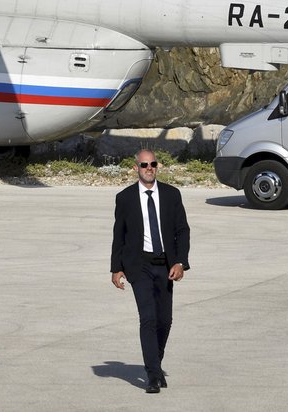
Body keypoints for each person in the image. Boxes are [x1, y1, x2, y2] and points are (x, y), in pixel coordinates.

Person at [111, 149, 191, 393]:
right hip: (139, 265)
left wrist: (180, 262)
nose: (149, 168)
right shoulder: (124, 198)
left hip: (165, 266)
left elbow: (182, 231)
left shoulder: (171, 195)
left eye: (153, 164)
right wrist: (116, 268)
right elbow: (119, 235)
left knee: (164, 321)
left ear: (157, 167)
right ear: (136, 167)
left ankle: (155, 363)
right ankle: (153, 375)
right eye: (144, 164)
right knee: (148, 318)